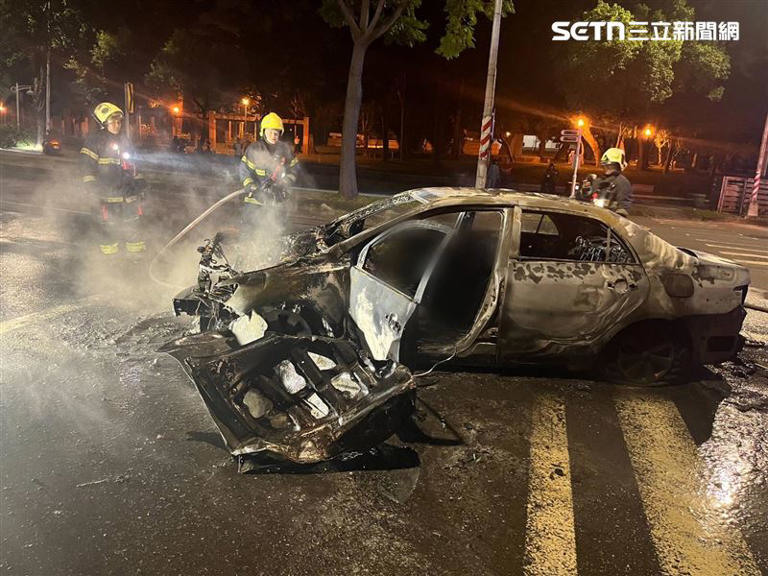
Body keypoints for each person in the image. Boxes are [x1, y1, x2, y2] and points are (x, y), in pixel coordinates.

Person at [80, 102, 146, 257]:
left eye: (119, 121)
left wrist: (140, 185)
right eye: (113, 121)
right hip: (107, 199)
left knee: (133, 230)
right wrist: (93, 190)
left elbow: (135, 166)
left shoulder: (125, 141)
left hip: (129, 197)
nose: (117, 125)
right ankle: (111, 261)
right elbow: (86, 169)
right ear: (103, 124)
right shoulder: (95, 142)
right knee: (109, 232)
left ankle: (136, 260)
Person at [238, 112, 298, 218]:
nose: (273, 135)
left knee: (277, 227)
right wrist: (251, 186)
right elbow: (244, 171)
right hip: (255, 202)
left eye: (276, 132)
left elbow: (293, 170)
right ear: (263, 132)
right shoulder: (254, 149)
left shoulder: (285, 150)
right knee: (251, 227)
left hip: (276, 202)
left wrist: (284, 184)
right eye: (270, 132)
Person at [593, 148, 632, 215]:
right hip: (594, 216)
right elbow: (586, 199)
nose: (607, 168)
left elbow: (624, 206)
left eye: (611, 165)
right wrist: (585, 191)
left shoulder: (623, 183)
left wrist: (619, 214)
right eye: (605, 165)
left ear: (618, 166)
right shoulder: (598, 180)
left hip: (609, 218)